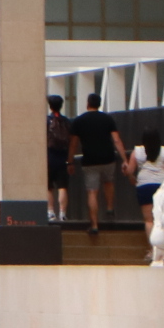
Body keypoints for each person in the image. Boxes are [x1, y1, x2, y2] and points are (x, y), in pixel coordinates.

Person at [67, 90, 123, 234]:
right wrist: (125, 159)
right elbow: (116, 140)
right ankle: (110, 208)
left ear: (88, 104)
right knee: (108, 182)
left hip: (90, 161)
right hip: (108, 158)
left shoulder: (79, 121)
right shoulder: (108, 119)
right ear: (99, 104)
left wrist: (70, 161)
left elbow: (73, 144)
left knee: (92, 192)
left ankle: (94, 225)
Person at [43, 94, 71, 223]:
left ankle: (50, 212)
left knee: (48, 187)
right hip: (63, 156)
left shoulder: (46, 120)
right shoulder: (66, 121)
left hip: (49, 156)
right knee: (62, 186)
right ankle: (63, 213)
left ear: (50, 106)